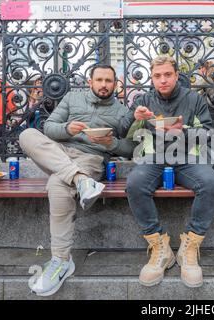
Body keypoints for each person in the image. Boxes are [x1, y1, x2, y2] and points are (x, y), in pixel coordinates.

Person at [19, 64, 136, 296]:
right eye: (99, 80)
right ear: (90, 81)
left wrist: (111, 145)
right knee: (27, 135)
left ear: (115, 84)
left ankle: (61, 261)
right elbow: (49, 128)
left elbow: (131, 148)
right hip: (59, 153)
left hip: (91, 159)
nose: (104, 85)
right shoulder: (72, 98)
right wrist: (67, 129)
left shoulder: (123, 112)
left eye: (109, 81)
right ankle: (79, 180)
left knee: (57, 184)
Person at [125, 55, 214, 288]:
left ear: (176, 75)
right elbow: (123, 131)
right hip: (154, 158)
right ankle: (160, 246)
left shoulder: (193, 99)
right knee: (135, 184)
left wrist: (184, 133)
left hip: (188, 158)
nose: (163, 80)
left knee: (211, 183)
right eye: (158, 76)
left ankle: (189, 246)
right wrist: (134, 117)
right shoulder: (144, 100)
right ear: (152, 77)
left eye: (168, 74)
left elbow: (210, 131)